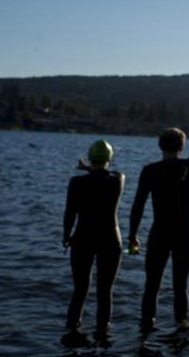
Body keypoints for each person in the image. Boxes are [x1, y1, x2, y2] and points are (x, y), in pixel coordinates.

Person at [128, 128, 189, 334]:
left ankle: (147, 327)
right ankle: (182, 325)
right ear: (182, 146)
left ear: (160, 146)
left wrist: (132, 235)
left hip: (159, 232)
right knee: (181, 285)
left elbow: (138, 206)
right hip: (186, 233)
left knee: (151, 285)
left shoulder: (150, 170)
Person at [62, 140, 125, 346]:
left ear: (90, 157)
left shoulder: (76, 182)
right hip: (110, 239)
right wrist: (90, 168)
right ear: (109, 159)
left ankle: (72, 331)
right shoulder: (117, 180)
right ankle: (103, 335)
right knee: (105, 292)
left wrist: (66, 236)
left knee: (80, 289)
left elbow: (69, 213)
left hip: (82, 238)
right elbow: (106, 174)